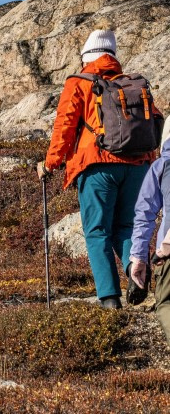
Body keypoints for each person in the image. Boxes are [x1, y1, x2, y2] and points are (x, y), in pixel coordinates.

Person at [40, 29, 160, 309]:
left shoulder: (79, 82)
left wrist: (50, 164)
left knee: (97, 231)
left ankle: (109, 299)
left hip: (97, 167)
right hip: (138, 166)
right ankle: (134, 267)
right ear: (113, 57)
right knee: (127, 226)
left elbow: (65, 127)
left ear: (86, 57)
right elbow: (153, 125)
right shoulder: (134, 84)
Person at [128, 134, 170, 336]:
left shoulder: (162, 166)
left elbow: (144, 215)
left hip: (168, 250)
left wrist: (139, 257)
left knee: (166, 304)